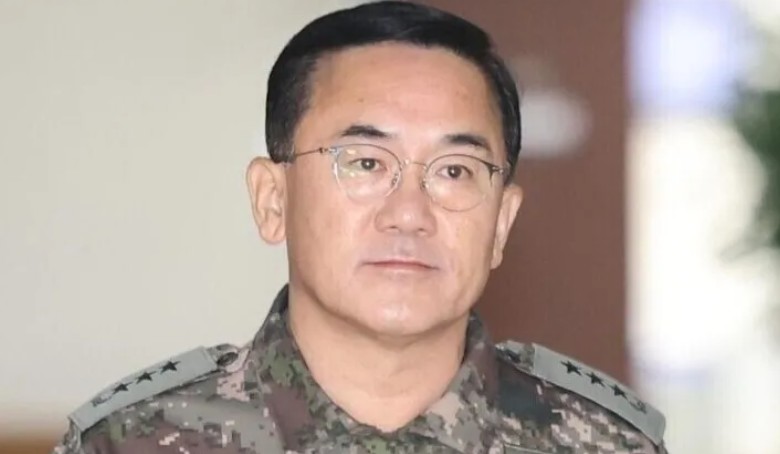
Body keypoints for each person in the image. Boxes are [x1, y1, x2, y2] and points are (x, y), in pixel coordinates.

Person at [52, 2, 668, 453]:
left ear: (501, 223)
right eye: (366, 163)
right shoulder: (131, 442)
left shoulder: (608, 443)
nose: (409, 213)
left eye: (455, 170)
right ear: (273, 199)